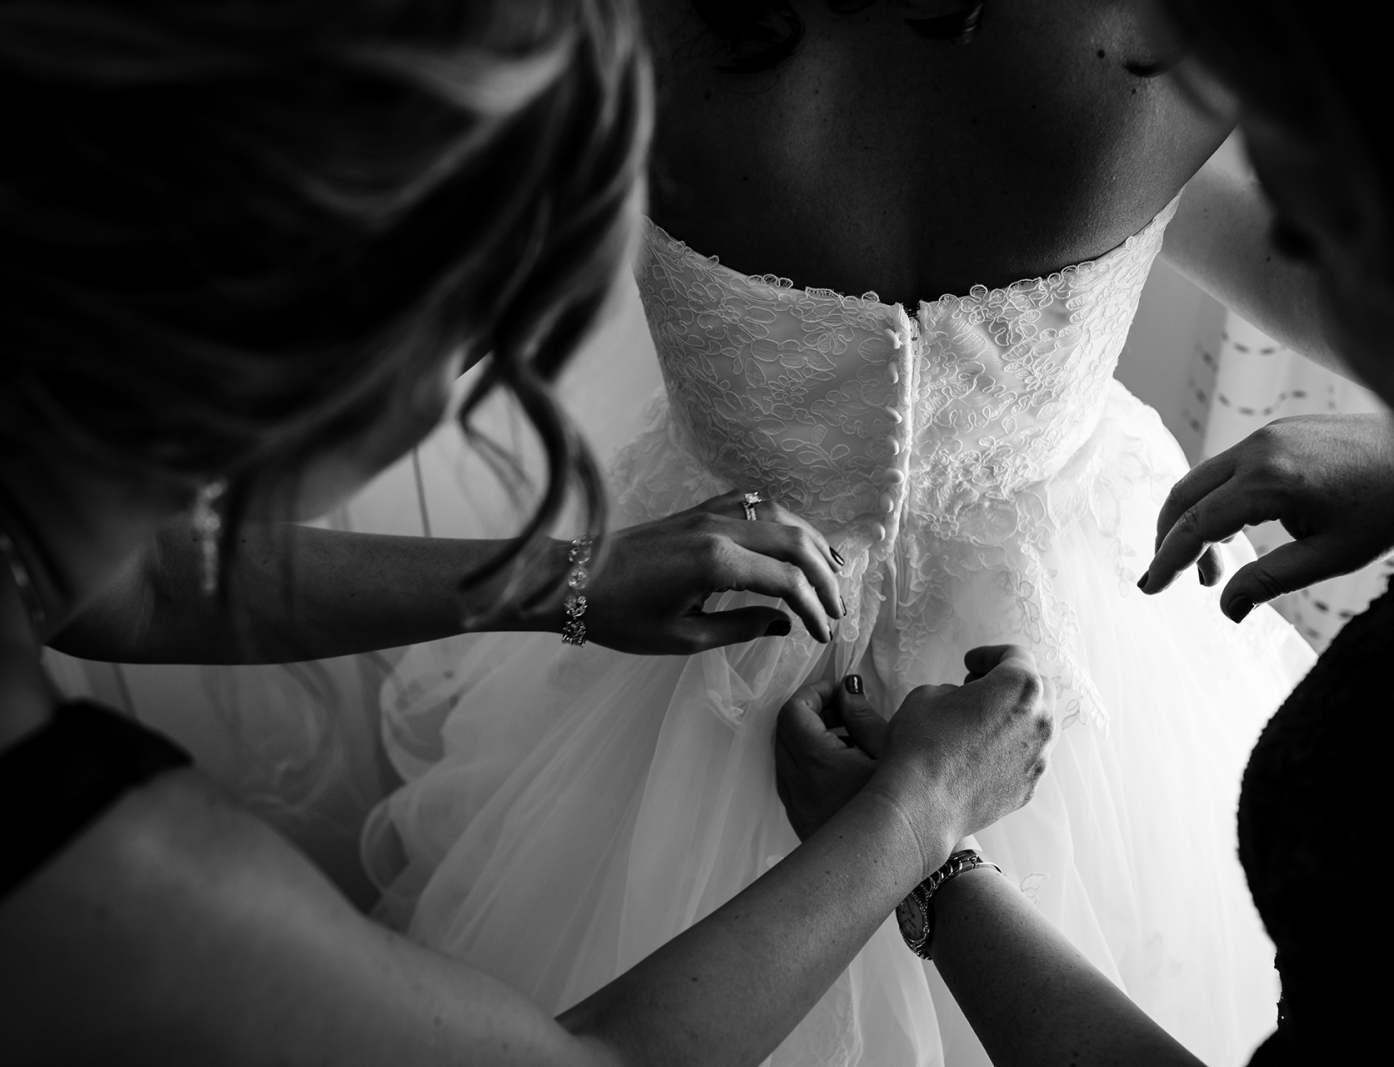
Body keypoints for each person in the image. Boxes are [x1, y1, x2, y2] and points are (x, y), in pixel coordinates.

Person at [0, 2, 1061, 1064]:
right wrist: (919, 808)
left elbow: (129, 593)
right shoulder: (86, 880)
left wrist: (565, 580)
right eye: (471, 319)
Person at [364, 2, 1323, 1063]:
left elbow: (321, 398)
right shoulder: (1185, 36)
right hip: (1042, 656)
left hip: (714, 637)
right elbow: (1314, 270)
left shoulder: (609, 33)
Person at [774, 0, 1394, 1061]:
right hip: (718, 645)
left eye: (1321, 201)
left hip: (1085, 646)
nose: (1289, 213)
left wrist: (916, 857)